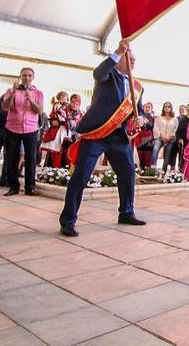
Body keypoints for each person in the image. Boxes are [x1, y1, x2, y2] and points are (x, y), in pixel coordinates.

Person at [59, 40, 146, 237]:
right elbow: (98, 72)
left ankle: (126, 212)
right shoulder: (107, 76)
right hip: (97, 133)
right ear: (118, 61)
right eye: (128, 58)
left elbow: (138, 111)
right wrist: (117, 51)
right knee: (81, 175)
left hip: (118, 136)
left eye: (134, 59)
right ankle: (68, 220)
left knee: (128, 173)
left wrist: (141, 118)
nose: (132, 61)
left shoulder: (138, 87)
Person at [1, 67, 44, 196]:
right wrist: (14, 93)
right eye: (24, 75)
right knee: (12, 158)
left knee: (31, 158)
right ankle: (13, 186)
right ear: (20, 76)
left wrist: (31, 99)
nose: (27, 78)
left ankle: (30, 187)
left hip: (31, 129)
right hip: (13, 127)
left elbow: (40, 111)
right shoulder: (10, 91)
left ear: (33, 77)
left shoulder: (38, 93)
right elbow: (5, 107)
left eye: (29, 75)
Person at [40, 91, 70, 167]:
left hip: (64, 131)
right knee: (56, 150)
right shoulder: (58, 105)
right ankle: (55, 170)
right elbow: (60, 117)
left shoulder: (66, 107)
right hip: (59, 131)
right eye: (64, 98)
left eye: (66, 99)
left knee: (63, 152)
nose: (66, 101)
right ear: (60, 98)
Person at [152, 101, 178, 173]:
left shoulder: (175, 119)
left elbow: (176, 129)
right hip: (160, 138)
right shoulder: (159, 118)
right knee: (155, 148)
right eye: (165, 106)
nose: (167, 108)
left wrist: (170, 137)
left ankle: (164, 171)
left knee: (168, 153)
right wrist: (161, 136)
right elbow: (156, 128)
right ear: (163, 108)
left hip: (170, 139)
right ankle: (152, 169)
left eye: (168, 106)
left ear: (171, 108)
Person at [170, 105, 189, 171]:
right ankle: (173, 165)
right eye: (180, 109)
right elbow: (176, 131)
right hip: (179, 138)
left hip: (188, 140)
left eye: (183, 109)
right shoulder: (179, 119)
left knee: (182, 147)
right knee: (173, 146)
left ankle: (181, 166)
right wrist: (179, 138)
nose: (182, 110)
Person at [135, 102, 155, 167]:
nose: (147, 108)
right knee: (140, 156)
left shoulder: (154, 118)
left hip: (149, 138)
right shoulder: (139, 117)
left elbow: (154, 129)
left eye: (149, 107)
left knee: (148, 157)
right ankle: (140, 171)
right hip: (140, 137)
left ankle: (147, 172)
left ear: (151, 109)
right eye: (145, 107)